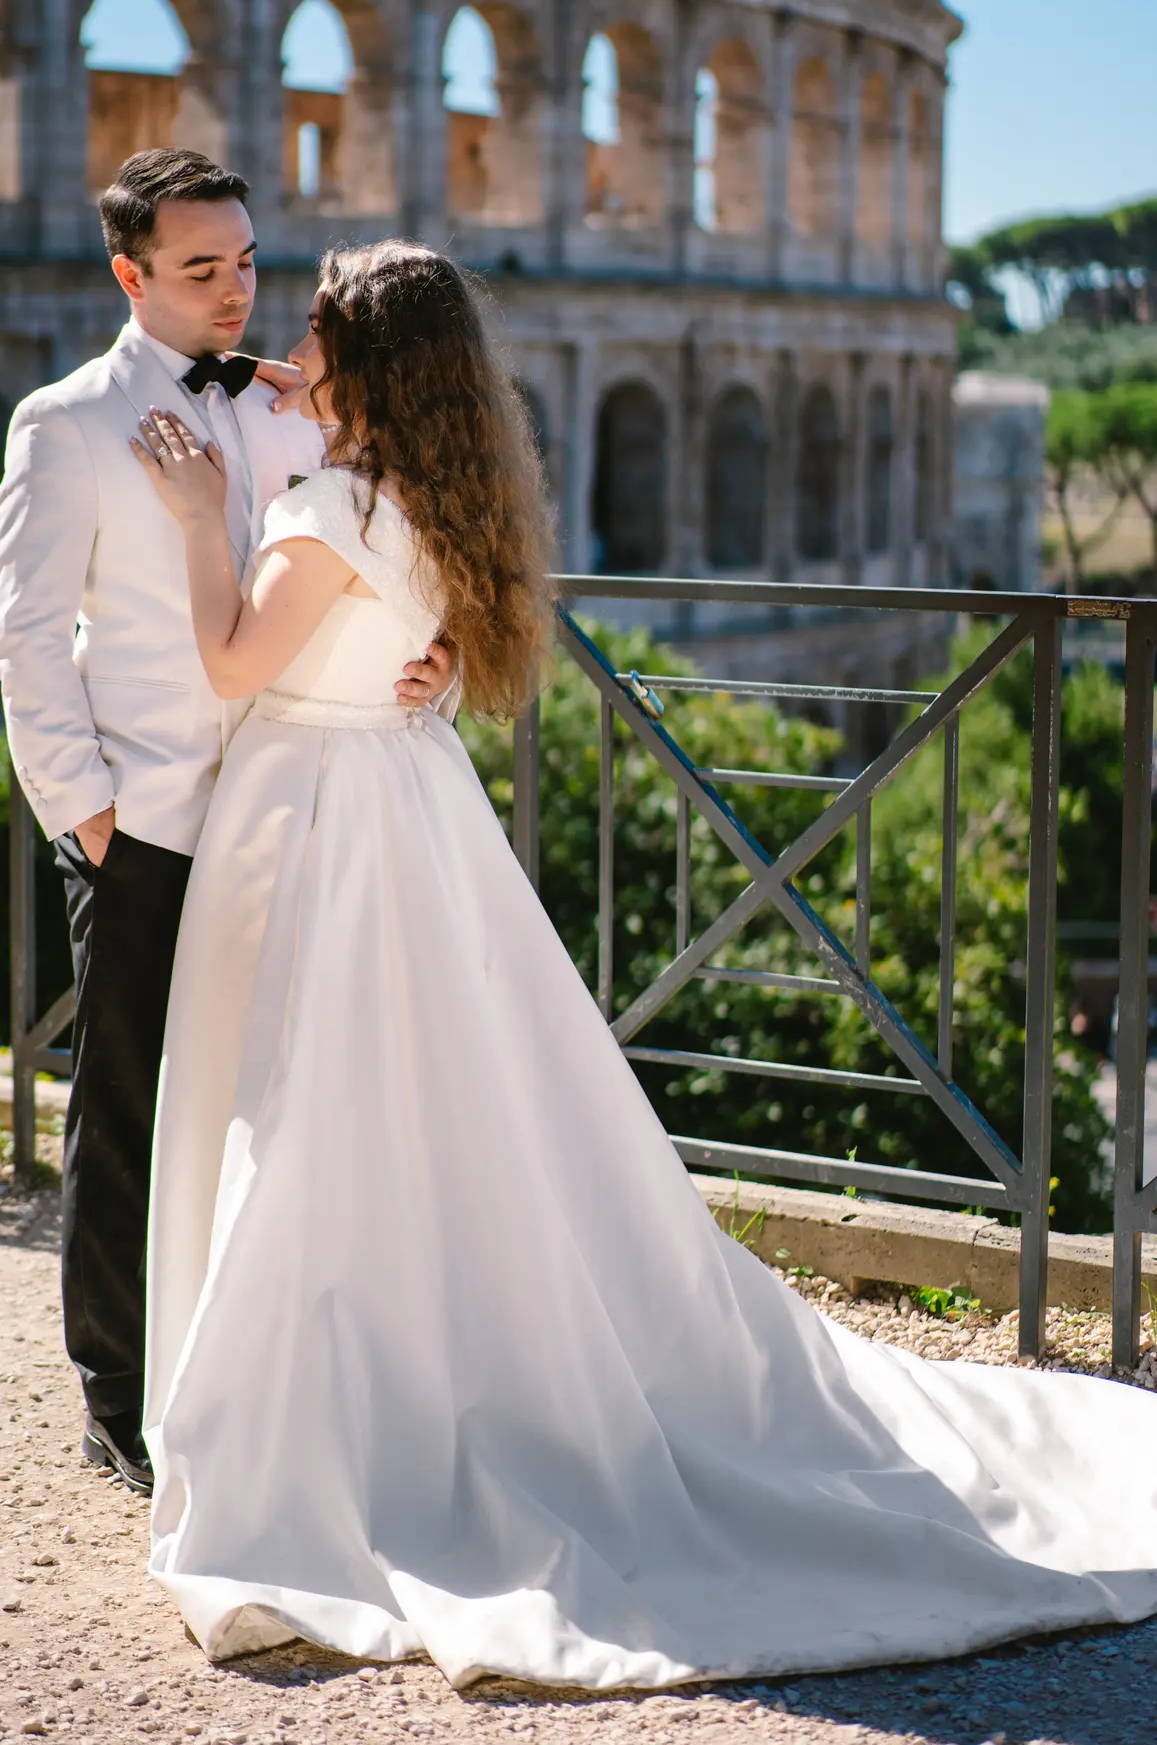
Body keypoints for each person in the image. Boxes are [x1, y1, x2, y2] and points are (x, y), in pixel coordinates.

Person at [136, 239, 1157, 1692]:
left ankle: (316, 1432)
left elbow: (237, 665)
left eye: (314, 324)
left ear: (359, 358)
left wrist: (192, 511)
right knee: (426, 1116)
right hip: (406, 814)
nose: (291, 341)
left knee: (303, 1115)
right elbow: (406, 656)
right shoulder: (435, 499)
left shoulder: (328, 505)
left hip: (310, 829)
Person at [0, 155, 453, 1497]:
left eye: (248, 261)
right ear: (131, 276)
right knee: (128, 1114)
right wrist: (87, 817)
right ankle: (118, 1399)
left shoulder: (299, 412)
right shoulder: (63, 425)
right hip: (149, 830)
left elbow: (380, 561)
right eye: (201, 270)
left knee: (288, 1108)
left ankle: (271, 1370)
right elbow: (24, 646)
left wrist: (438, 667)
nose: (236, 292)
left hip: (299, 824)